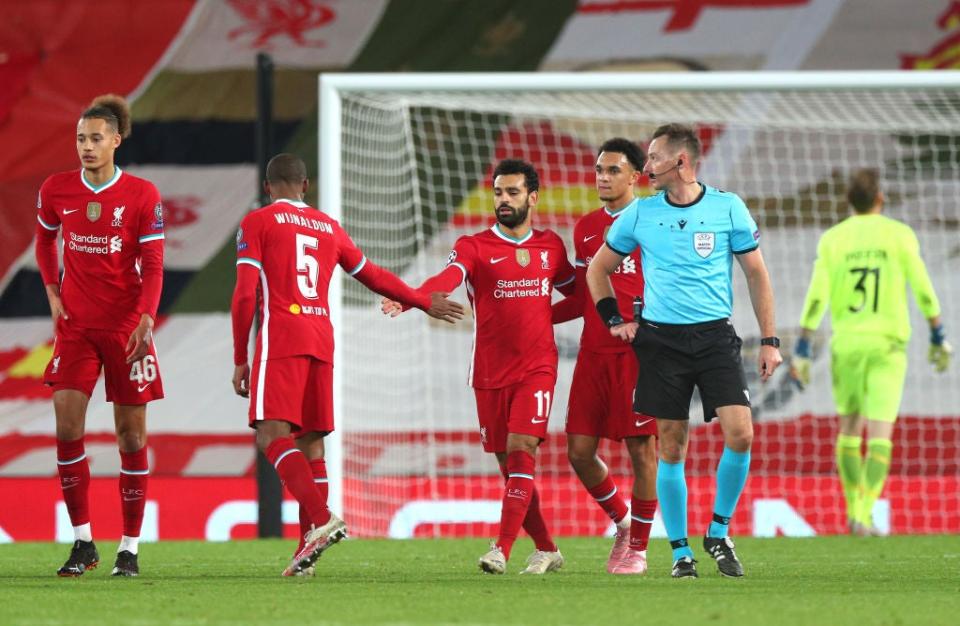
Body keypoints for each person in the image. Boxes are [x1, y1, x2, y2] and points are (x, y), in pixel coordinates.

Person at [231, 153, 463, 577]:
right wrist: (420, 299)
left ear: (269, 188)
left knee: (270, 435)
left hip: (283, 333)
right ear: (305, 186)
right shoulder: (328, 228)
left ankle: (322, 519)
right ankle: (305, 555)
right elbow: (373, 275)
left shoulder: (257, 222)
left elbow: (246, 294)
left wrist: (239, 358)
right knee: (311, 445)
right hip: (322, 338)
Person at [586, 124, 783, 579]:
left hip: (714, 338)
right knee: (671, 448)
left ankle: (718, 530)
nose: (646, 166)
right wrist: (615, 319)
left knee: (742, 434)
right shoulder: (639, 216)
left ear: (680, 162)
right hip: (662, 343)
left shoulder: (727, 207)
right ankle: (680, 553)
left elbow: (757, 274)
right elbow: (599, 270)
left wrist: (770, 340)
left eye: (654, 158)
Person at [383, 159, 576, 575]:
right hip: (489, 373)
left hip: (538, 367)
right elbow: (448, 277)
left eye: (512, 192)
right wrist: (412, 296)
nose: (503, 200)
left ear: (533, 197)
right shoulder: (474, 245)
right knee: (511, 469)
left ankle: (501, 549)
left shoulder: (551, 246)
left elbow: (579, 293)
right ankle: (547, 548)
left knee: (523, 449)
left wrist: (549, 318)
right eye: (498, 192)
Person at [35, 94, 165, 577]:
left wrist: (147, 317)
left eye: (94, 139)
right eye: (79, 139)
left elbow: (152, 265)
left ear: (116, 141)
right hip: (76, 330)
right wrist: (52, 289)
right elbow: (45, 238)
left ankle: (129, 547)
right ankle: (83, 542)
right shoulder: (56, 189)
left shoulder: (142, 195)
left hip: (127, 329)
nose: (85, 146)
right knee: (67, 427)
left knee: (130, 437)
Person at [789, 168, 951, 536]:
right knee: (880, 431)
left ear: (849, 201)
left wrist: (801, 349)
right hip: (888, 345)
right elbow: (922, 288)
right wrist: (938, 333)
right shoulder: (899, 235)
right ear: (881, 198)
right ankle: (863, 512)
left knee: (849, 427)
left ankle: (853, 509)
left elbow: (817, 297)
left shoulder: (834, 239)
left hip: (846, 344)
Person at [551, 138, 657, 575]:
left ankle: (640, 548)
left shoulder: (655, 221)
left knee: (641, 450)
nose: (602, 177)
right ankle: (624, 523)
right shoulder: (586, 227)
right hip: (594, 353)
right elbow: (580, 296)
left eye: (613, 170)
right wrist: (531, 317)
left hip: (638, 352)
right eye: (599, 169)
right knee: (578, 450)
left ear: (636, 176)